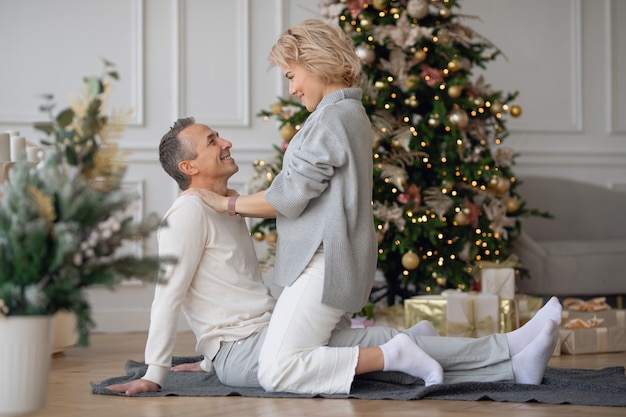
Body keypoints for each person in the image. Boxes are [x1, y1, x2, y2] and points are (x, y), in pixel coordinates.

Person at [175, 19, 561, 396]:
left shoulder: (331, 118)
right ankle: (509, 357)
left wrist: (225, 202)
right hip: (331, 261)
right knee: (345, 351)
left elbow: (289, 197)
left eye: (292, 75)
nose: (291, 88)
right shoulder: (345, 112)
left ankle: (476, 352)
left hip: (320, 263)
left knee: (278, 370)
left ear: (315, 63)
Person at [106, 117, 562, 396]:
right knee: (380, 350)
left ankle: (509, 356)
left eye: (218, 135)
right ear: (189, 167)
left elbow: (229, 292)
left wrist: (206, 356)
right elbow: (168, 296)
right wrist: (157, 372)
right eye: (211, 141)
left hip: (260, 336)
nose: (224, 142)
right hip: (246, 353)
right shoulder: (186, 214)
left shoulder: (228, 206)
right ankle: (501, 353)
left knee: (379, 343)